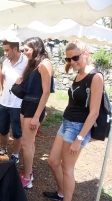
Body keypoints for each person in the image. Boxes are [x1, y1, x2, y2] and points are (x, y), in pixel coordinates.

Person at [43, 39, 103, 201]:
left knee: (67, 169)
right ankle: (62, 193)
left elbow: (94, 112)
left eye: (75, 58)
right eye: (68, 59)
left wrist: (80, 139)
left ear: (86, 54)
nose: (72, 62)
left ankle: (66, 198)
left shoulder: (95, 77)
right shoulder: (79, 73)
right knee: (53, 161)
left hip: (77, 127)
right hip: (66, 123)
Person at [17, 37, 54, 188]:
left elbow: (46, 93)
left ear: (36, 48)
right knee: (28, 143)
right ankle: (28, 173)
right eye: (23, 49)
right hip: (26, 104)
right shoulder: (34, 64)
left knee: (25, 144)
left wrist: (37, 116)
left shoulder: (45, 64)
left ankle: (27, 178)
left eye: (26, 49)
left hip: (34, 107)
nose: (24, 53)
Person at [0, 40, 28, 164]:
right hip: (4, 102)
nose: (5, 53)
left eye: (7, 50)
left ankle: (15, 154)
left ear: (15, 49)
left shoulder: (26, 61)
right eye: (4, 50)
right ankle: (3, 149)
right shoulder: (5, 62)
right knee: (3, 129)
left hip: (18, 104)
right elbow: (2, 76)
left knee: (17, 132)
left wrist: (23, 81)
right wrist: (4, 87)